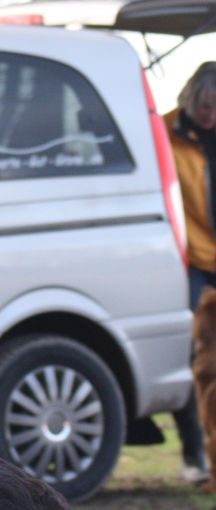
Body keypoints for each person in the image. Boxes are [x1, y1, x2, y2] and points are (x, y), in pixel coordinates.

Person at [171, 62, 216, 483]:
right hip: (191, 261)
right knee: (192, 358)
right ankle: (194, 454)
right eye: (205, 106)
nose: (211, 115)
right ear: (190, 98)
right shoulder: (167, 133)